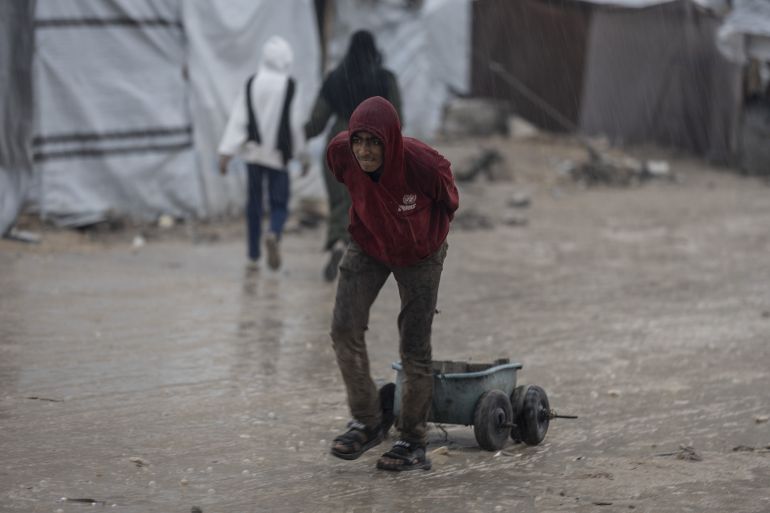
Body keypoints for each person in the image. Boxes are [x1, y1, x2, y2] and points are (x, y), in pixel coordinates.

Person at [326, 96, 459, 471]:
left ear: (391, 142)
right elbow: (347, 182)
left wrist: (422, 236)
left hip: (420, 255)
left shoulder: (423, 165)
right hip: (368, 244)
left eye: (374, 142)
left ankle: (412, 439)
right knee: (343, 329)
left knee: (414, 347)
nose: (364, 151)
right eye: (358, 141)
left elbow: (450, 200)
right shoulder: (339, 153)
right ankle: (367, 421)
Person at [304, 30, 402, 282]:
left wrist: (297, 136)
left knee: (340, 202)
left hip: (338, 141)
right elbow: (397, 119)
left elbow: (316, 121)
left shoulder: (335, 79)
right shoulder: (385, 79)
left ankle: (338, 244)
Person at [218, 36, 307, 271]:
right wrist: (303, 156)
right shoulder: (290, 85)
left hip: (253, 154)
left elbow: (239, 119)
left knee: (254, 205)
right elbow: (295, 124)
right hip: (278, 156)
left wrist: (226, 153)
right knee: (279, 204)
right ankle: (274, 232)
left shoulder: (251, 82)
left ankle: (253, 254)